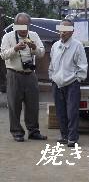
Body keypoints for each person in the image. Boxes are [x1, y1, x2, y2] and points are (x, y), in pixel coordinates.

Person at [0, 12, 47, 142]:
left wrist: (34, 48)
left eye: (25, 26)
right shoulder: (8, 37)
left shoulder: (34, 35)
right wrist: (15, 48)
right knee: (14, 104)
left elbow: (42, 53)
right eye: (19, 26)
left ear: (29, 25)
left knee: (33, 104)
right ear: (15, 25)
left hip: (30, 74)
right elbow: (3, 55)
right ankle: (17, 132)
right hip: (14, 74)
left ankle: (33, 131)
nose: (22, 29)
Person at [48, 19, 88, 147]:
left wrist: (78, 79)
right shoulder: (55, 46)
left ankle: (72, 138)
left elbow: (82, 66)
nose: (62, 33)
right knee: (60, 111)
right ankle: (64, 136)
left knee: (72, 111)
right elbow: (52, 65)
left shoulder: (77, 45)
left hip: (72, 84)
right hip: (57, 83)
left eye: (66, 31)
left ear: (72, 32)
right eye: (61, 30)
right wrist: (51, 77)